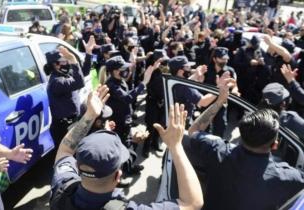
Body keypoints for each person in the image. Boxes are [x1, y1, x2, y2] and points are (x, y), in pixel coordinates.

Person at [50, 85, 203, 210]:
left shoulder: (63, 188)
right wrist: (176, 146)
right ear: (118, 176)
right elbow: (192, 203)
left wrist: (89, 114)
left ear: (77, 166)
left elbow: (65, 150)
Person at [187, 78, 304, 210]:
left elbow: (193, 131)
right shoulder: (286, 177)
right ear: (275, 144)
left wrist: (220, 101)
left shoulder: (218, 151)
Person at [46, 36, 96, 146]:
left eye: (67, 60)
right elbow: (79, 82)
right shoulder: (56, 82)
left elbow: (83, 74)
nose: (68, 63)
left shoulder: (64, 74)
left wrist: (88, 52)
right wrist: (73, 59)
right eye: (65, 61)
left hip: (73, 122)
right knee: (68, 155)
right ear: (55, 65)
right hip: (63, 127)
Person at [204, 47, 240, 137]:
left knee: (221, 126)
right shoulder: (206, 70)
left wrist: (235, 91)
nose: (225, 61)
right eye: (222, 59)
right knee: (204, 126)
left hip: (221, 102)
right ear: (214, 59)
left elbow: (235, 85)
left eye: (226, 59)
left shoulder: (230, 71)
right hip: (207, 102)